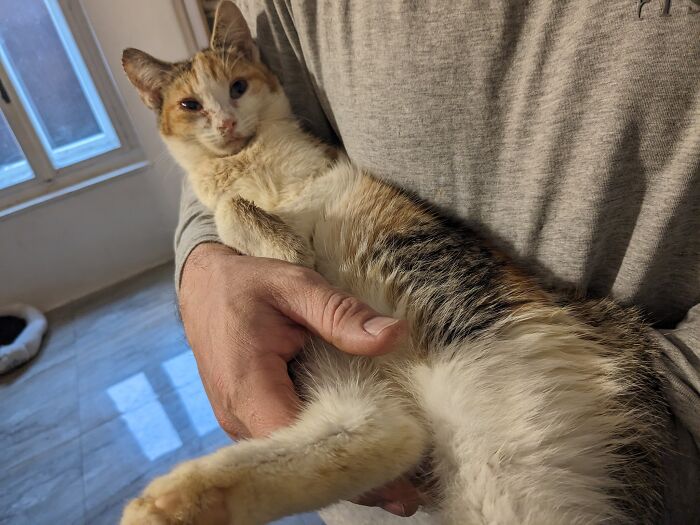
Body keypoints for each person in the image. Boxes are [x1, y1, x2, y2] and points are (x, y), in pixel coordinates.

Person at [175, 1, 700, 522]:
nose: (223, 119)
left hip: (509, 353)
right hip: (378, 452)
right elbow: (231, 175)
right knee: (341, 396)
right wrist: (203, 269)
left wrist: (671, 402)